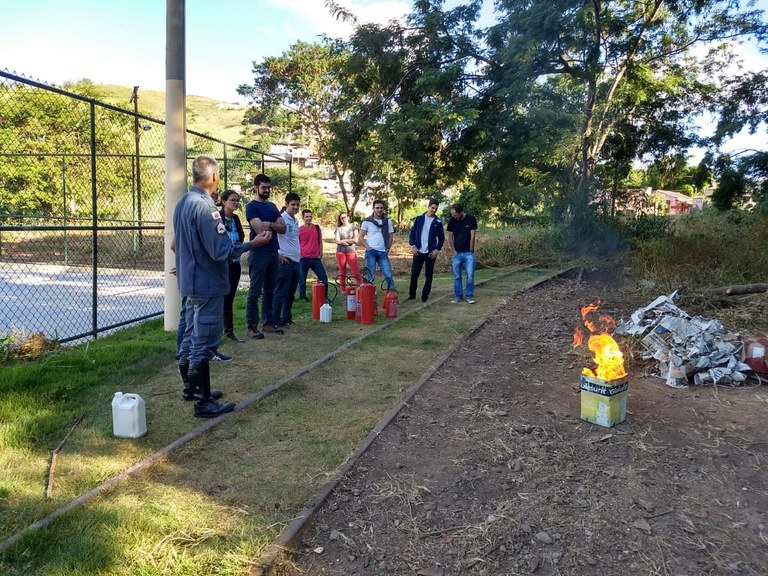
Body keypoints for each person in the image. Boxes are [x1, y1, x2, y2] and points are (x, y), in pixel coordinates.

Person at [174, 156, 271, 417]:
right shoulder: (206, 208)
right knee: (203, 340)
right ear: (214, 177)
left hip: (189, 281)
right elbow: (222, 251)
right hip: (207, 283)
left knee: (190, 334)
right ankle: (203, 402)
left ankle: (191, 389)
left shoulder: (183, 202)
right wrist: (254, 244)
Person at [245, 174, 286, 339]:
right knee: (255, 291)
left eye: (268, 187)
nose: (266, 190)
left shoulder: (272, 206)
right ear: (256, 187)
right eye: (263, 187)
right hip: (258, 253)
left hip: (273, 253)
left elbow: (283, 229)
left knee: (270, 290)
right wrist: (274, 225)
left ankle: (268, 322)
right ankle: (252, 325)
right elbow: (259, 231)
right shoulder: (251, 207)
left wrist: (268, 224)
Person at [220, 189, 246, 342]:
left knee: (230, 297)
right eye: (232, 200)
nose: (236, 203)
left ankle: (229, 331)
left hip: (234, 263)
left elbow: (241, 235)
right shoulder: (217, 217)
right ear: (224, 202)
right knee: (221, 297)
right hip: (222, 264)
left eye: (237, 200)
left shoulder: (235, 218)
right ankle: (217, 330)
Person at [407, 199, 445, 303]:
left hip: (430, 252)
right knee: (414, 274)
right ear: (428, 207)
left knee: (428, 275)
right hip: (418, 251)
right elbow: (412, 233)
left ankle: (425, 296)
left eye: (436, 209)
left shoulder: (438, 222)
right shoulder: (419, 219)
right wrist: (413, 245)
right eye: (432, 208)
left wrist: (437, 250)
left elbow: (441, 238)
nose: (434, 210)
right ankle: (412, 295)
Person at [274, 193, 302, 327]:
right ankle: (275, 319)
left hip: (296, 261)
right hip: (285, 261)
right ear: (286, 205)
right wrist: (278, 254)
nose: (295, 207)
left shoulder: (296, 221)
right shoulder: (281, 219)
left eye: (297, 205)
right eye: (293, 205)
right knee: (281, 292)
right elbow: (273, 237)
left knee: (290, 293)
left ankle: (286, 318)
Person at [446, 203, 478, 304]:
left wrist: (471, 249)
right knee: (457, 276)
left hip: (468, 253)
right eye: (452, 215)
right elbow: (450, 236)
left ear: (461, 212)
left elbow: (472, 235)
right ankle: (458, 296)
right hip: (457, 254)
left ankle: (469, 296)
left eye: (455, 215)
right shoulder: (452, 221)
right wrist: (453, 251)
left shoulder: (471, 219)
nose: (454, 216)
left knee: (470, 275)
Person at [359, 199, 395, 289]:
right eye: (377, 208)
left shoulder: (388, 221)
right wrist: (368, 247)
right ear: (373, 209)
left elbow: (391, 236)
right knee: (370, 276)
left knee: (388, 275)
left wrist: (388, 248)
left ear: (383, 209)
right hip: (371, 252)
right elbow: (360, 237)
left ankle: (392, 296)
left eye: (381, 208)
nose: (379, 210)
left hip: (383, 252)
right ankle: (369, 296)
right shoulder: (367, 222)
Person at [298, 208, 328, 302]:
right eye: (307, 217)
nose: (309, 218)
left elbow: (320, 241)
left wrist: (321, 253)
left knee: (323, 277)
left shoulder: (316, 228)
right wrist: (299, 255)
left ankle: (324, 296)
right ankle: (302, 297)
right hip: (303, 258)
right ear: (303, 217)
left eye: (310, 216)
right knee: (302, 280)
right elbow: (296, 243)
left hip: (315, 258)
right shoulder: (299, 230)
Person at [334, 212, 362, 289]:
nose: (343, 219)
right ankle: (342, 289)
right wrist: (350, 241)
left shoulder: (354, 227)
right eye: (341, 218)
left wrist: (344, 240)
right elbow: (337, 241)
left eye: (345, 217)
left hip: (351, 252)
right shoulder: (338, 229)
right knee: (342, 271)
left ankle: (361, 287)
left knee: (355, 270)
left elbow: (356, 240)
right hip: (340, 252)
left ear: (348, 217)